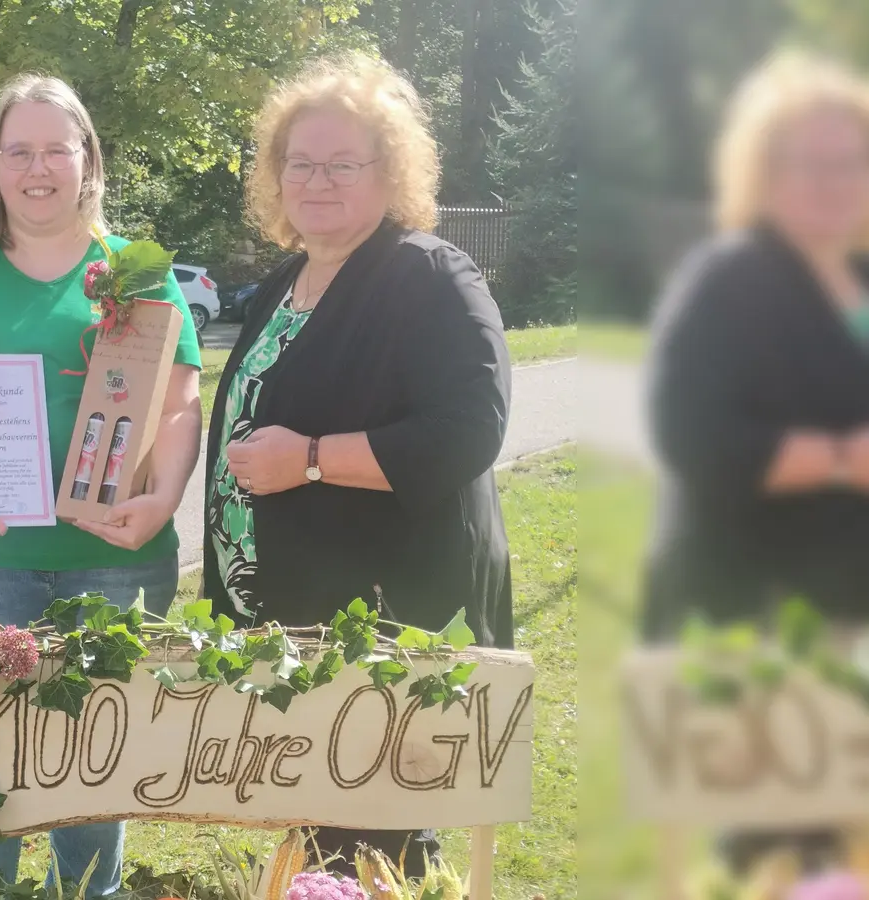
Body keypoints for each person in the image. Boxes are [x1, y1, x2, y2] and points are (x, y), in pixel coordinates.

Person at [202, 53, 513, 878]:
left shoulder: (429, 275)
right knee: (319, 838)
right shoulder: (286, 281)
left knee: (378, 842)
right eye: (300, 163)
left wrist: (309, 460)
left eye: (344, 164)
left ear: (391, 171)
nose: (318, 181)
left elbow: (470, 430)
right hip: (291, 621)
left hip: (382, 623)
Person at [0, 74, 203, 897]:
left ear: (87, 161)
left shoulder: (138, 273)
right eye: (18, 152)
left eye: (55, 150)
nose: (37, 169)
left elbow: (180, 404)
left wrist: (163, 499)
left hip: (114, 555)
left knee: (93, 770)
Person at [640, 53, 869, 874]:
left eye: (850, 161)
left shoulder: (863, 278)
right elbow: (690, 434)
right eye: (809, 163)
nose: (833, 181)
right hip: (759, 616)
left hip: (851, 613)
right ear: (763, 173)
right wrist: (843, 458)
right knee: (790, 852)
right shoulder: (731, 281)